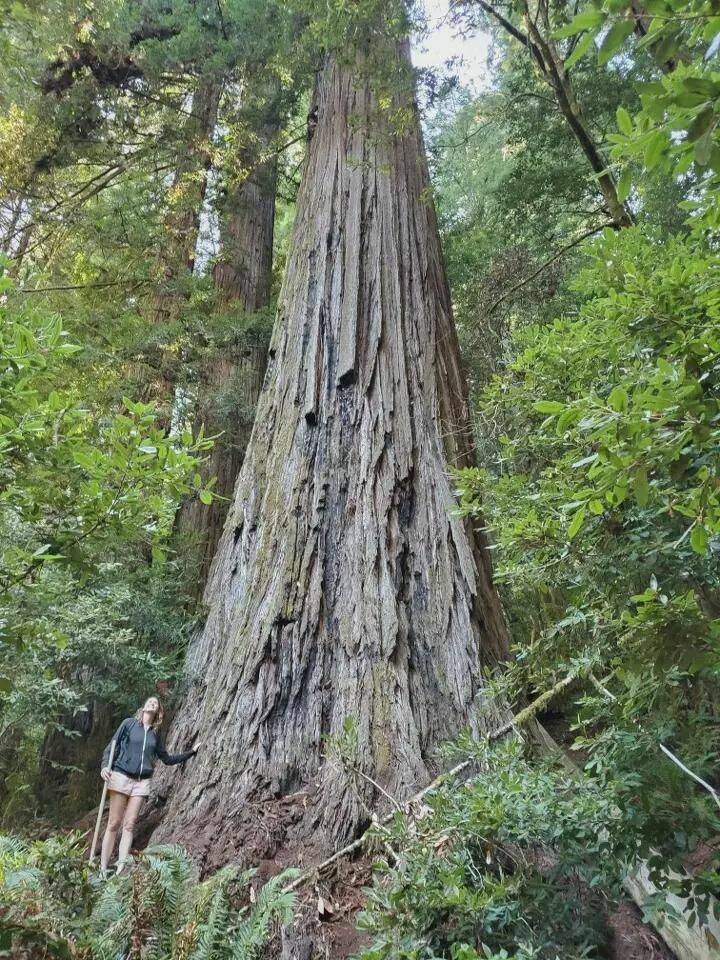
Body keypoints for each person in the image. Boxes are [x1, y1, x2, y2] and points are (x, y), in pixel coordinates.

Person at [99, 695, 200, 875]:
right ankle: (103, 867)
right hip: (121, 775)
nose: (152, 704)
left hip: (141, 782)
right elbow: (112, 745)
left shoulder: (155, 735)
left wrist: (191, 752)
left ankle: (120, 867)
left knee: (129, 825)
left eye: (156, 703)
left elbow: (167, 759)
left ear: (158, 711)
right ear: (144, 707)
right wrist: (105, 765)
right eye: (150, 702)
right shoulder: (129, 724)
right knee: (114, 823)